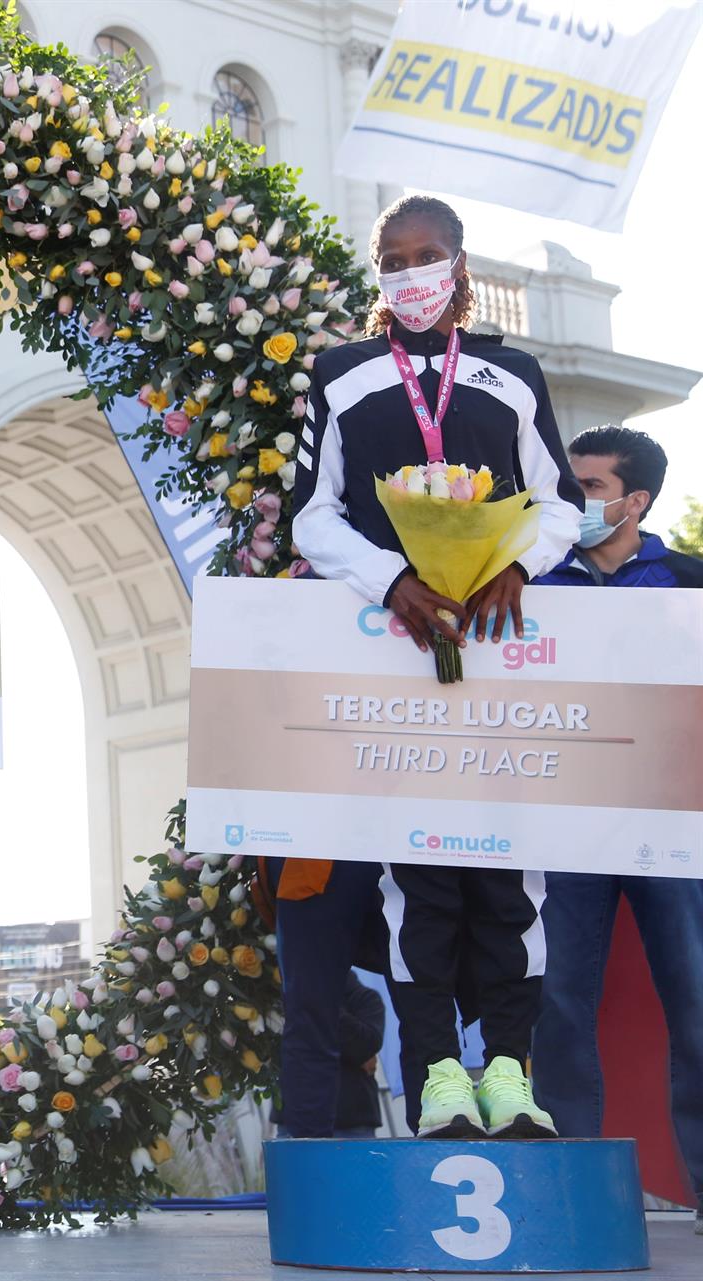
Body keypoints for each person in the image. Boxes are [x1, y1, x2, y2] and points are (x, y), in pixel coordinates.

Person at [292, 194, 581, 1138]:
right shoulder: (339, 375)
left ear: (458, 264)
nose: (409, 272)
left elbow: (560, 504)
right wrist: (392, 582)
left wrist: (515, 564)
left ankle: (511, 1072)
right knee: (416, 880)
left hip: (502, 662)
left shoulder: (513, 374)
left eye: (426, 255)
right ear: (378, 270)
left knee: (507, 876)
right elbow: (311, 516)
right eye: (392, 257)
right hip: (395, 658)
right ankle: (440, 1079)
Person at [530, 425, 703, 1231]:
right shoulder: (530, 579)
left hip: (672, 825)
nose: (575, 500)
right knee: (560, 1005)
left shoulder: (692, 581)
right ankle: (572, 1196)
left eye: (590, 487)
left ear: (635, 501)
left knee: (695, 1002)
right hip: (566, 824)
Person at [262, 857, 388, 1138]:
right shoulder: (289, 991)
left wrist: (320, 1003)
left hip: (354, 1119)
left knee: (308, 1014)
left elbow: (367, 1043)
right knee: (307, 1016)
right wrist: (313, 1000)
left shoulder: (367, 999)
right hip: (302, 1118)